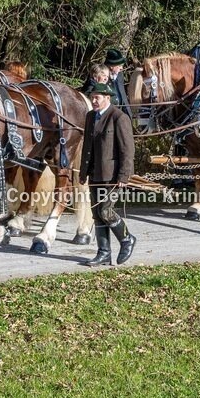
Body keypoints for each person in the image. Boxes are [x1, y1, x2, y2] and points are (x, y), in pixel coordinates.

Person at [80, 81, 137, 266]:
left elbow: (127, 150)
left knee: (106, 210)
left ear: (107, 98)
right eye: (92, 97)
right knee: (97, 213)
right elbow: (87, 148)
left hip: (112, 176)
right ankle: (104, 252)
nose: (94, 101)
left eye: (97, 97)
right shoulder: (90, 117)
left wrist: (124, 176)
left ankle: (127, 239)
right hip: (94, 174)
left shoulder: (119, 117)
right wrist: (83, 172)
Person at [104, 49, 131, 116]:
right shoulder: (99, 75)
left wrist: (129, 116)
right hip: (105, 116)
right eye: (119, 66)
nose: (121, 68)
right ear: (111, 66)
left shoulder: (120, 75)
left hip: (120, 114)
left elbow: (123, 97)